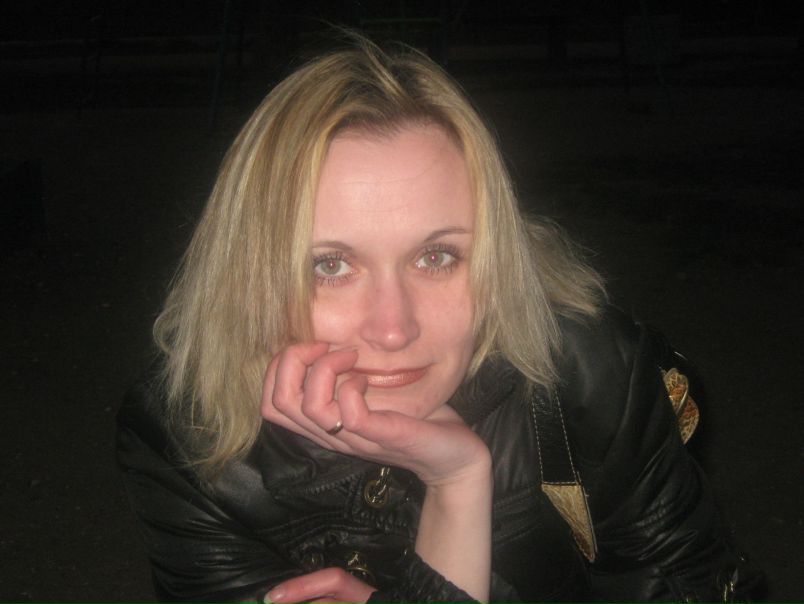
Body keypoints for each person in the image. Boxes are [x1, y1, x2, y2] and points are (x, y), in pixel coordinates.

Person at [117, 37, 760, 604]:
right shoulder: (185, 436)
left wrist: (456, 484)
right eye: (330, 266)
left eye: (436, 257)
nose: (393, 330)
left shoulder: (587, 369)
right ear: (250, 270)